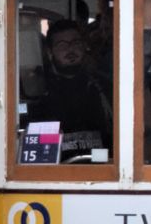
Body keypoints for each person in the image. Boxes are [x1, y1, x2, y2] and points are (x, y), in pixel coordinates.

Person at [22, 19, 113, 161]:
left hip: (99, 167)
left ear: (84, 46)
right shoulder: (38, 90)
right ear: (50, 52)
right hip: (56, 170)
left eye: (76, 43)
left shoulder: (103, 86)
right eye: (62, 45)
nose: (70, 50)